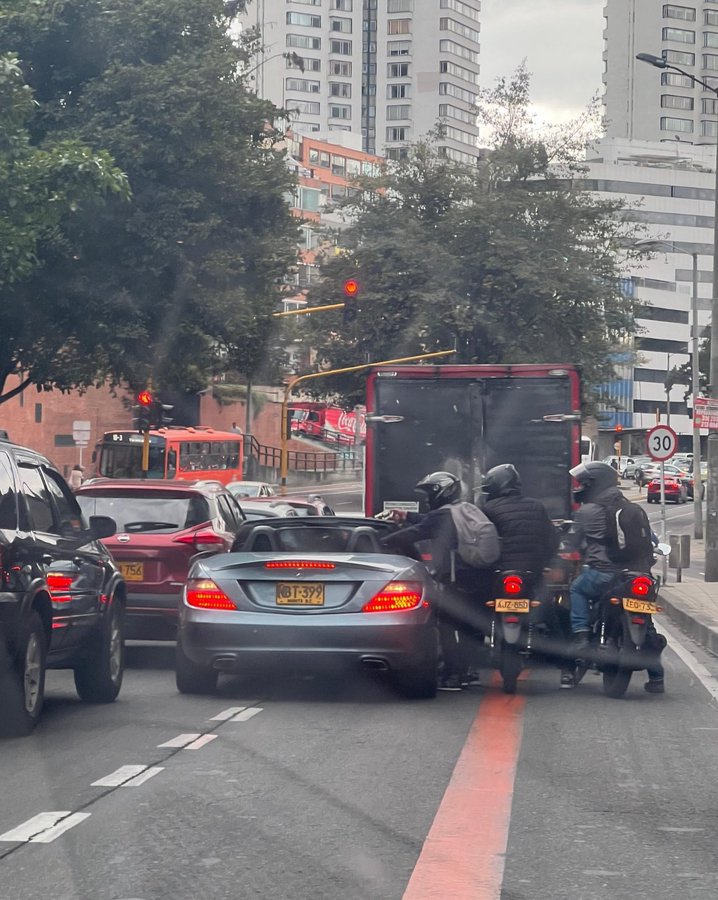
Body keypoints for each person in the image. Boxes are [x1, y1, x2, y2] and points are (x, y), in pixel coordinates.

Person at [381, 471, 497, 692]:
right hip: (480, 577)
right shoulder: (460, 511)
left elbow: (414, 533)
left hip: (454, 581)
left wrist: (378, 540)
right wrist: (406, 516)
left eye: (429, 494)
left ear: (441, 492)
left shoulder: (442, 516)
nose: (426, 499)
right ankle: (468, 671)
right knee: (471, 626)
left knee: (447, 626)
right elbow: (426, 522)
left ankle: (453, 674)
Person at [566, 461, 665, 693]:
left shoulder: (587, 512)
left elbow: (573, 543)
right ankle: (657, 676)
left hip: (604, 575)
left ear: (594, 485)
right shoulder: (632, 509)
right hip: (639, 575)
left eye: (584, 483)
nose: (580, 487)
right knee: (646, 618)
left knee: (577, 589)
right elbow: (651, 540)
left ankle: (581, 636)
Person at [480, 465, 567, 685]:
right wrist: (546, 562)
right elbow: (551, 539)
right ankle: (567, 667)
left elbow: (482, 542)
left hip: (499, 573)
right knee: (550, 614)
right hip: (531, 573)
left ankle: (464, 667)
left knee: (476, 606)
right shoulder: (537, 507)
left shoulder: (488, 508)